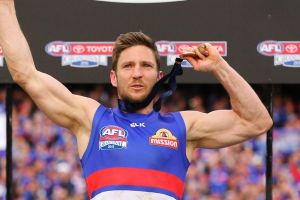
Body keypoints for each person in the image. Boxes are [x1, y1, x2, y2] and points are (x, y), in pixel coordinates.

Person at [0, 1, 272, 199]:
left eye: (146, 66)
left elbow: (257, 121)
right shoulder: (91, 119)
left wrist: (219, 66)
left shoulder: (183, 127)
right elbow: (26, 74)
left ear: (160, 76)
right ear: (114, 77)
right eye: (128, 66)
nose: (138, 73)